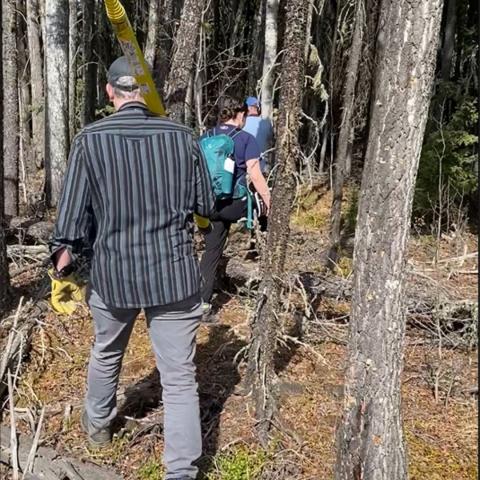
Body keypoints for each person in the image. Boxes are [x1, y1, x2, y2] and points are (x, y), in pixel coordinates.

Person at [49, 56, 214, 480]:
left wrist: (62, 263)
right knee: (178, 379)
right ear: (146, 90)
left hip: (113, 275)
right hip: (173, 274)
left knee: (106, 353)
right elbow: (206, 206)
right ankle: (180, 472)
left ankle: (99, 428)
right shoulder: (183, 137)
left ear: (110, 92)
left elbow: (70, 221)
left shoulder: (90, 139)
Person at [199, 98, 271, 310]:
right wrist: (269, 202)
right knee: (261, 204)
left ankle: (203, 304)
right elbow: (255, 175)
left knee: (211, 252)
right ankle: (259, 251)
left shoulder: (205, 136)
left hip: (209, 206)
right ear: (240, 114)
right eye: (245, 117)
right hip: (234, 206)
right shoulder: (245, 139)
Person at [242, 96, 274, 172]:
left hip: (246, 167)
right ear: (258, 108)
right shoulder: (266, 123)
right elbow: (271, 141)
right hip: (263, 167)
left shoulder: (242, 123)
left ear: (248, 108)